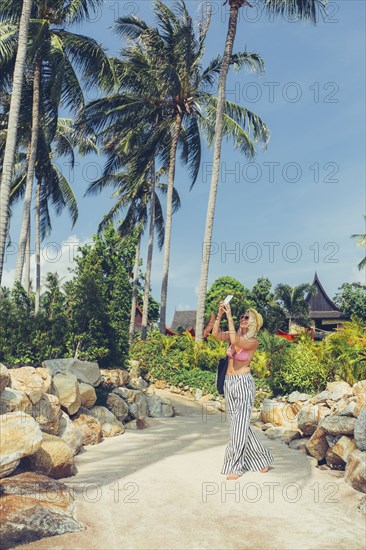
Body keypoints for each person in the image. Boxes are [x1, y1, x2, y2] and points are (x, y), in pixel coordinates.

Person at [211, 301, 274, 480]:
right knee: (238, 426)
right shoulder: (236, 333)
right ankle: (262, 459)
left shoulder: (253, 341)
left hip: (244, 383)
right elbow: (216, 334)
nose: (243, 320)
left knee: (238, 428)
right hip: (229, 383)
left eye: (247, 317)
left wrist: (230, 316)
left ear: (254, 322)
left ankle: (235, 466)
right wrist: (221, 314)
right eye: (241, 317)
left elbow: (235, 341)